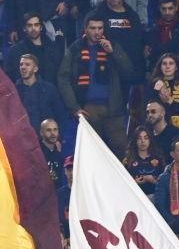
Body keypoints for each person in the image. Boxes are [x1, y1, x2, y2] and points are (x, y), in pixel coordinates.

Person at [57, 14, 133, 155]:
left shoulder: (112, 46)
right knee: (92, 153)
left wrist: (113, 52)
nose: (97, 32)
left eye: (100, 28)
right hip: (88, 109)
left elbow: (129, 72)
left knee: (121, 151)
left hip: (113, 108)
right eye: (93, 28)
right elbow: (63, 79)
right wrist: (74, 107)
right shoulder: (74, 49)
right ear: (85, 29)